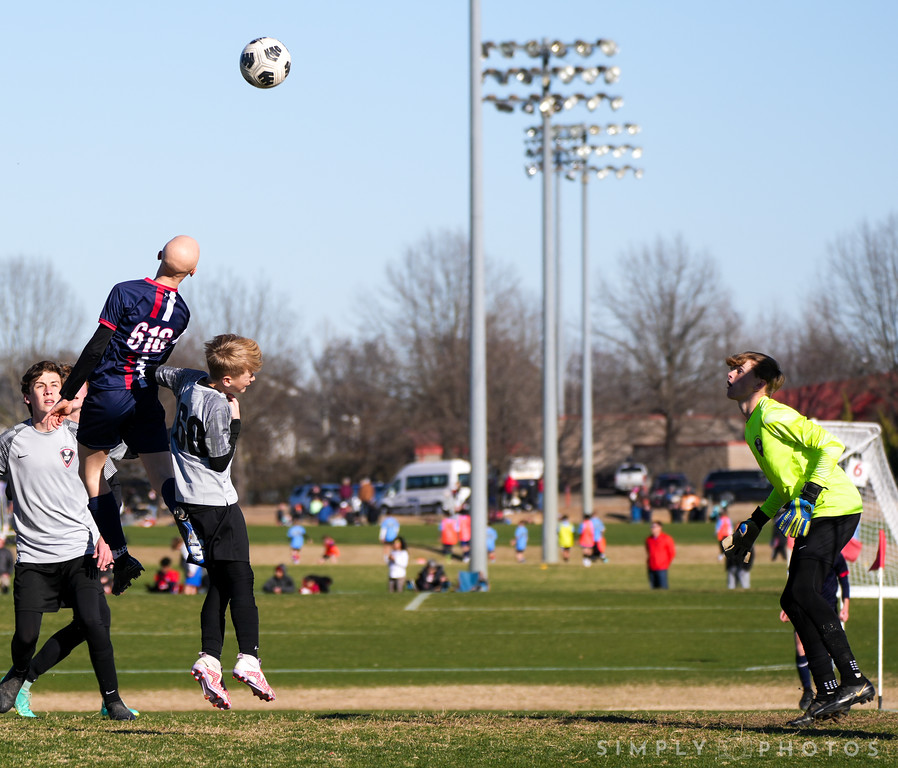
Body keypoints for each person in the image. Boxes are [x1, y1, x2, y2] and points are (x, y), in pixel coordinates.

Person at [43, 235, 201, 596]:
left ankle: (120, 552)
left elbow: (98, 345)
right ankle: (192, 534)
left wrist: (69, 396)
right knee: (162, 473)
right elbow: (157, 360)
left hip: (110, 394)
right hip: (145, 398)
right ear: (193, 272)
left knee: (92, 469)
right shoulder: (182, 313)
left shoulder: (126, 292)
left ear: (159, 255)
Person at [721, 351, 873, 725]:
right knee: (793, 596)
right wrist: (754, 524)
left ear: (759, 383)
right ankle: (826, 694)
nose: (729, 375)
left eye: (738, 370)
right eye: (730, 369)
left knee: (804, 592)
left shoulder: (773, 414)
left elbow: (831, 445)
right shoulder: (753, 423)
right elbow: (783, 485)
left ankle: (853, 679)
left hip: (832, 507)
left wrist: (807, 497)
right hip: (819, 509)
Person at [0, 361, 136, 720]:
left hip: (80, 552)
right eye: (40, 385)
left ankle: (113, 700)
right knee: (26, 637)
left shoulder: (82, 436)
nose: (48, 390)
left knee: (93, 621)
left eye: (55, 384)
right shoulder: (11, 441)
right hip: (32, 557)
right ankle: (17, 676)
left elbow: (111, 483)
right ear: (27, 396)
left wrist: (109, 537)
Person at [155, 334, 275, 710]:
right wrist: (236, 421)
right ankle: (249, 660)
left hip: (188, 501)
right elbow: (221, 460)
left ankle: (209, 660)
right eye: (247, 373)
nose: (251, 379)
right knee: (242, 581)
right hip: (217, 503)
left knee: (220, 583)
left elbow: (158, 372)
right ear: (227, 379)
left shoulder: (189, 379)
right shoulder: (222, 405)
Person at [780, 552, 852, 712]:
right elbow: (793, 581)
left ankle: (833, 692)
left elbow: (844, 581)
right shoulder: (804, 553)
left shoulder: (836, 555)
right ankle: (807, 691)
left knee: (829, 650)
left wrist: (845, 607)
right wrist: (787, 605)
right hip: (804, 606)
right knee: (800, 646)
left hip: (827, 609)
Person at [645, 520, 675, 589]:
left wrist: (666, 563)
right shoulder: (649, 539)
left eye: (654, 527)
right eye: (651, 527)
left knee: (663, 587)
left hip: (662, 566)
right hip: (651, 566)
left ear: (660, 528)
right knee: (653, 587)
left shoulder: (666, 538)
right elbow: (648, 551)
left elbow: (671, 553)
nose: (652, 528)